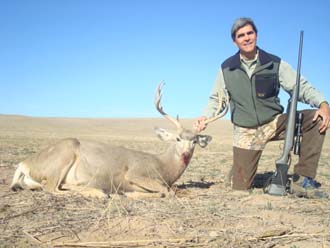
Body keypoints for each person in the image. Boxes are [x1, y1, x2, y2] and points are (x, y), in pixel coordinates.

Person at [195, 17, 330, 198]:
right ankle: (239, 170)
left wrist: (323, 104)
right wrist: (205, 116)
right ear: (234, 41)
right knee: (240, 189)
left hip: (274, 123)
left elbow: (301, 87)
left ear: (256, 35)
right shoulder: (226, 68)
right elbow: (216, 99)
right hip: (245, 131)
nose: (246, 38)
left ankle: (303, 179)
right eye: (241, 35)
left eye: (250, 33)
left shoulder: (274, 63)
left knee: (316, 117)